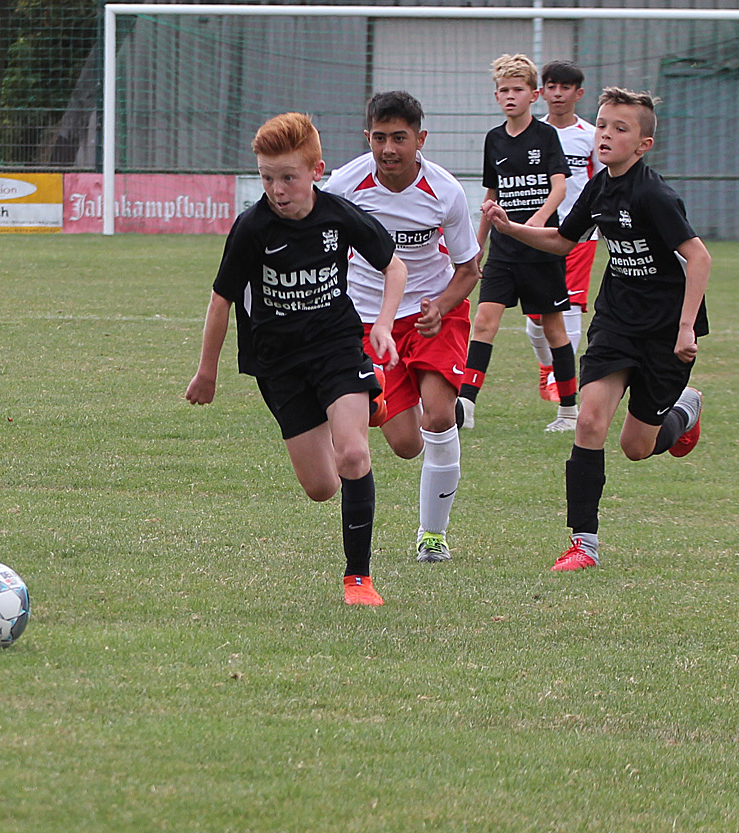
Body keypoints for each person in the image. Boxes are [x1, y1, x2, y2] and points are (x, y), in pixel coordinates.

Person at [483, 88, 710, 573]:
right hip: (616, 322)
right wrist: (511, 227)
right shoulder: (599, 186)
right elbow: (565, 241)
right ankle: (583, 544)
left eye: (620, 129)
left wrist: (687, 328)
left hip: (665, 330)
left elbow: (699, 257)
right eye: (603, 125)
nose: (606, 135)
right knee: (588, 422)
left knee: (635, 447)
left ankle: (685, 410)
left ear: (644, 144)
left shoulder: (655, 194)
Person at [186, 112, 406, 606]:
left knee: (353, 454)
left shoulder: (337, 215)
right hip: (278, 363)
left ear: (316, 171)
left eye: (287, 177)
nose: (277, 189)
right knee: (321, 488)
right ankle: (358, 404)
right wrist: (207, 371)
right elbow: (221, 300)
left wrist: (385, 325)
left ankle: (359, 579)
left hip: (336, 345)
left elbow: (395, 267)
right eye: (267, 178)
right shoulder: (252, 228)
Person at [324, 91, 480, 564]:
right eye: (379, 137)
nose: (388, 148)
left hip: (434, 315)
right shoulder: (345, 186)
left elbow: (470, 269)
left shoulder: (445, 192)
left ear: (420, 139)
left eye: (399, 138)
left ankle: (432, 537)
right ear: (366, 136)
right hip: (372, 321)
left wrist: (441, 305)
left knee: (439, 415)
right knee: (406, 445)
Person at [458, 53, 576, 432]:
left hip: (542, 250)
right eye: (503, 90)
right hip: (504, 253)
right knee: (484, 321)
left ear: (534, 94)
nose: (510, 96)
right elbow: (492, 194)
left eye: (518, 89)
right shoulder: (494, 140)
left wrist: (539, 220)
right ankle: (466, 404)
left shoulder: (547, 136)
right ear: (496, 97)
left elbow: (560, 185)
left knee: (552, 327)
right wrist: (476, 245)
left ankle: (569, 411)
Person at [525, 60, 597, 415]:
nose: (557, 93)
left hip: (580, 235)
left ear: (578, 93)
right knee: (535, 322)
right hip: (537, 236)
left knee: (569, 312)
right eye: (551, 86)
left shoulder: (590, 135)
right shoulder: (533, 134)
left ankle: (564, 394)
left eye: (565, 87)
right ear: (543, 92)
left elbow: (600, 182)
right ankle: (548, 365)